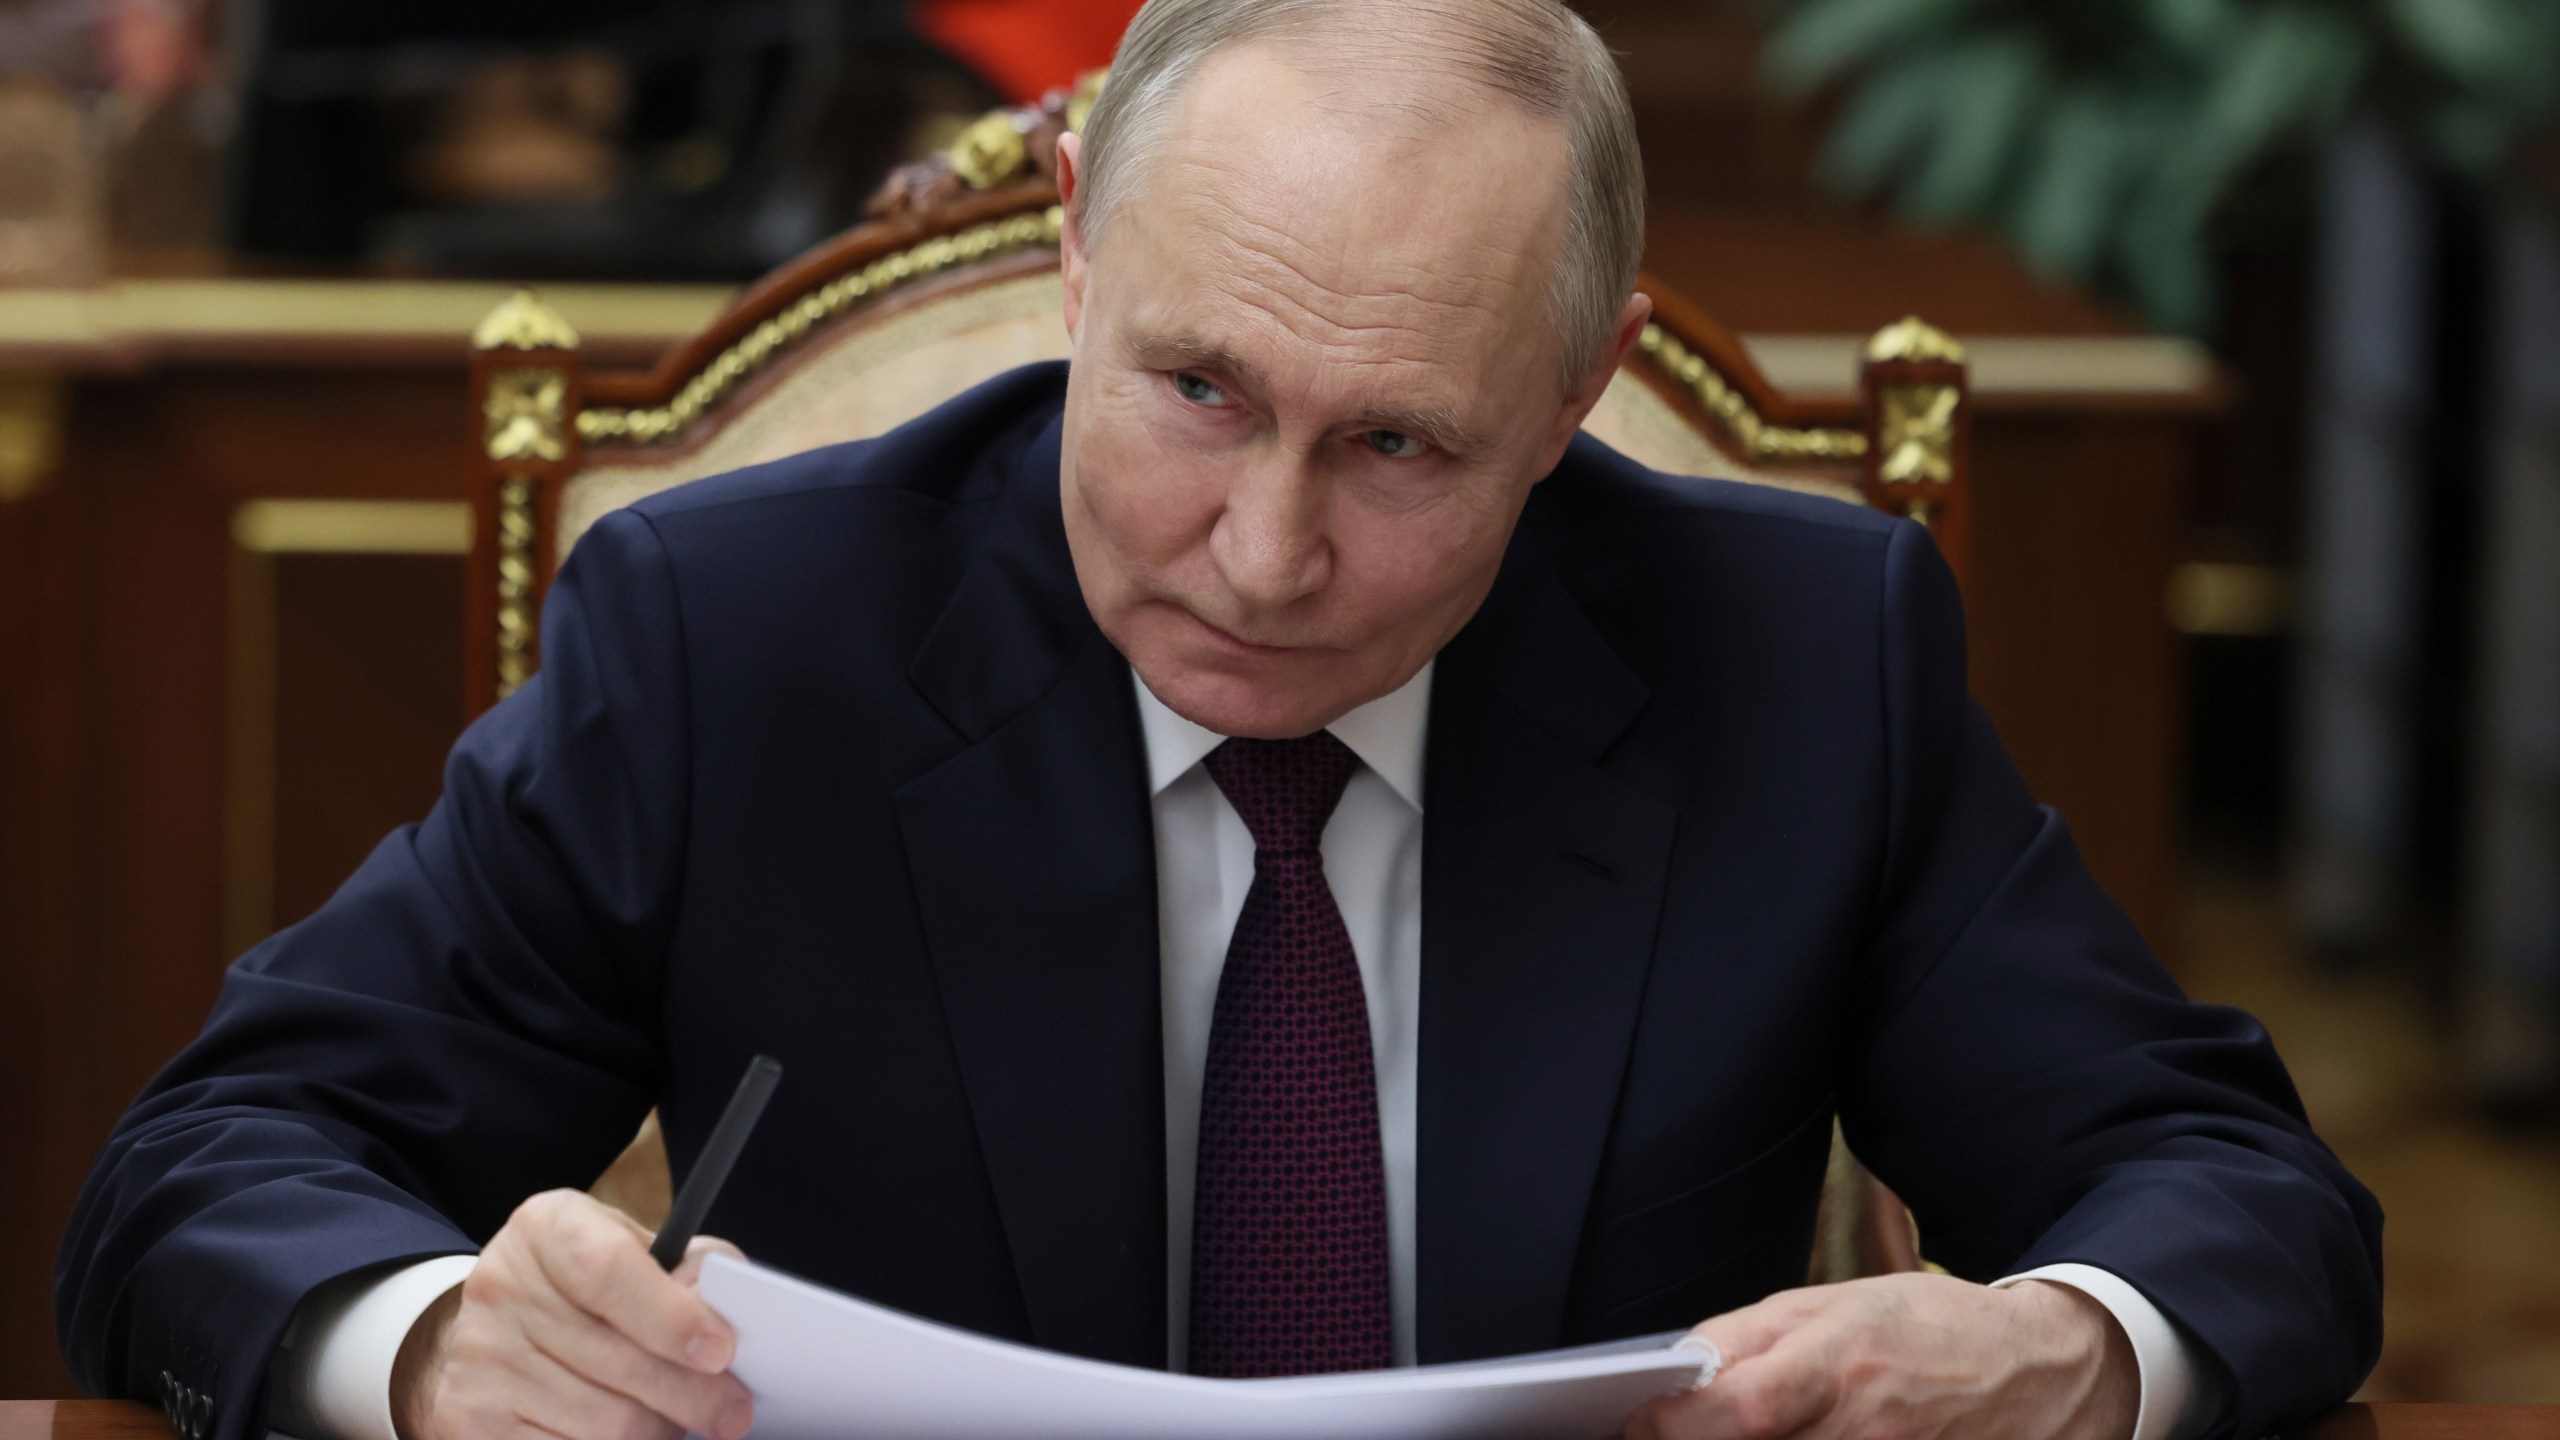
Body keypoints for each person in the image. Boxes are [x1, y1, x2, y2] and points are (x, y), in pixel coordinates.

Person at [57, 3, 2382, 1440]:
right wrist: (428, 1341)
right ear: (1072, 252)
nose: (1259, 558)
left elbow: (2234, 1195)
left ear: (1572, 396)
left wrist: (2073, 1347)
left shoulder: (1801, 656)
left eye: (1400, 449)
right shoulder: (728, 638)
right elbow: (212, 1172)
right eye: (1193, 390)